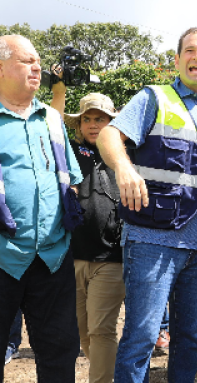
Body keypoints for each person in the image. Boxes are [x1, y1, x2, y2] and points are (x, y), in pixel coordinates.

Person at [96, 27, 197, 383]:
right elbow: (109, 134)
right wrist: (123, 167)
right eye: (190, 50)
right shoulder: (154, 97)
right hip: (152, 242)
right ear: (177, 59)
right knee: (141, 338)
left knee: (187, 340)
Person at [0, 35, 82, 382]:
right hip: (3, 255)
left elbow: (71, 178)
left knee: (60, 351)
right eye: (26, 61)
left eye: (38, 62)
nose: (37, 68)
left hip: (52, 257)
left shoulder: (51, 118)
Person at [52, 83, 125, 383]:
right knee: (83, 332)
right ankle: (113, 375)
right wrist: (58, 91)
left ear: (113, 122)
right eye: (87, 119)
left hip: (110, 258)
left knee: (101, 330)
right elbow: (52, 127)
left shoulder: (125, 154)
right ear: (79, 124)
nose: (93, 125)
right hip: (73, 256)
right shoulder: (70, 151)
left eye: (101, 119)